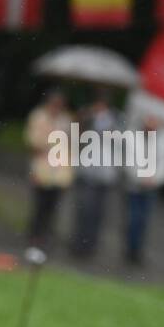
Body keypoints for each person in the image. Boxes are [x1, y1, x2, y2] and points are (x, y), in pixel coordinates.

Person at [70, 92, 121, 259]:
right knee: (84, 208)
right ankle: (79, 242)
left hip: (104, 174)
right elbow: (77, 135)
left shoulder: (115, 121)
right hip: (87, 171)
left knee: (97, 212)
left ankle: (89, 244)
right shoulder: (87, 118)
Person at [24, 89, 73, 261]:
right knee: (39, 208)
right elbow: (34, 143)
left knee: (52, 210)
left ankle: (44, 241)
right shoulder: (39, 117)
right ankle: (33, 241)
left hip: (59, 173)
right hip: (42, 170)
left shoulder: (66, 120)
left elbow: (68, 147)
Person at [122, 117, 164, 267]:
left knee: (144, 221)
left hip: (151, 187)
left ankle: (137, 250)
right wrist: (141, 177)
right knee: (133, 218)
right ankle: (129, 249)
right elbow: (128, 162)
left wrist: (154, 178)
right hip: (135, 186)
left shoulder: (162, 142)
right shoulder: (134, 139)